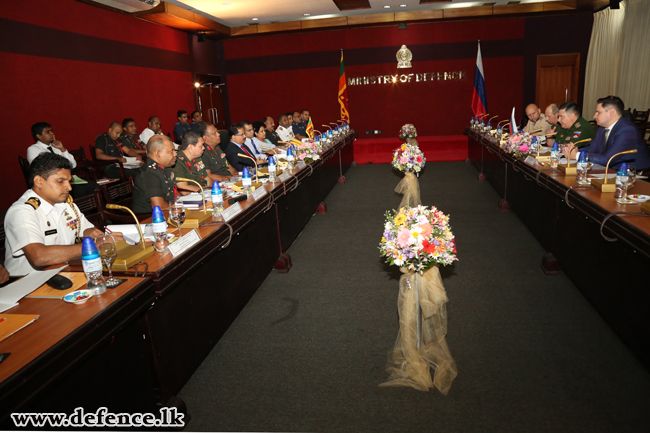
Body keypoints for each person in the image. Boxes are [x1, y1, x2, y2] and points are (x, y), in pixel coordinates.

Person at [4, 153, 122, 276]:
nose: (69, 187)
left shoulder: (65, 204)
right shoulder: (22, 212)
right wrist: (94, 245)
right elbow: (39, 256)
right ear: (39, 181)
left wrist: (91, 234)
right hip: (27, 282)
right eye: (61, 181)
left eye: (69, 181)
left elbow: (85, 229)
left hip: (62, 271)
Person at [564, 96, 650, 170]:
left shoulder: (627, 130)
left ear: (611, 112)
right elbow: (593, 148)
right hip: (612, 170)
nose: (594, 116)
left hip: (635, 174)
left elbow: (607, 159)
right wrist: (571, 150)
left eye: (598, 112)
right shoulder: (602, 128)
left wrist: (577, 155)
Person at [26, 122, 98, 199]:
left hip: (67, 180)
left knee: (95, 186)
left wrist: (62, 149)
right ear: (39, 136)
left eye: (51, 131)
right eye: (48, 132)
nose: (52, 133)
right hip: (51, 182)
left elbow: (73, 165)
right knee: (80, 191)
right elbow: (41, 169)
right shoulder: (33, 149)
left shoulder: (56, 147)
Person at [132, 135, 178, 213]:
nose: (175, 154)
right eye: (171, 151)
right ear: (158, 153)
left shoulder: (165, 167)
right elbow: (159, 206)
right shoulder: (149, 173)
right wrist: (182, 209)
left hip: (168, 211)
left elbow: (172, 194)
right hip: (148, 218)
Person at [173, 131, 212, 195]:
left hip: (205, 193)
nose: (204, 148)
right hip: (193, 198)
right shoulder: (177, 161)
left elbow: (207, 179)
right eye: (201, 145)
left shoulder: (197, 158)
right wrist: (206, 190)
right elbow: (184, 190)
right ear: (191, 148)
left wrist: (211, 191)